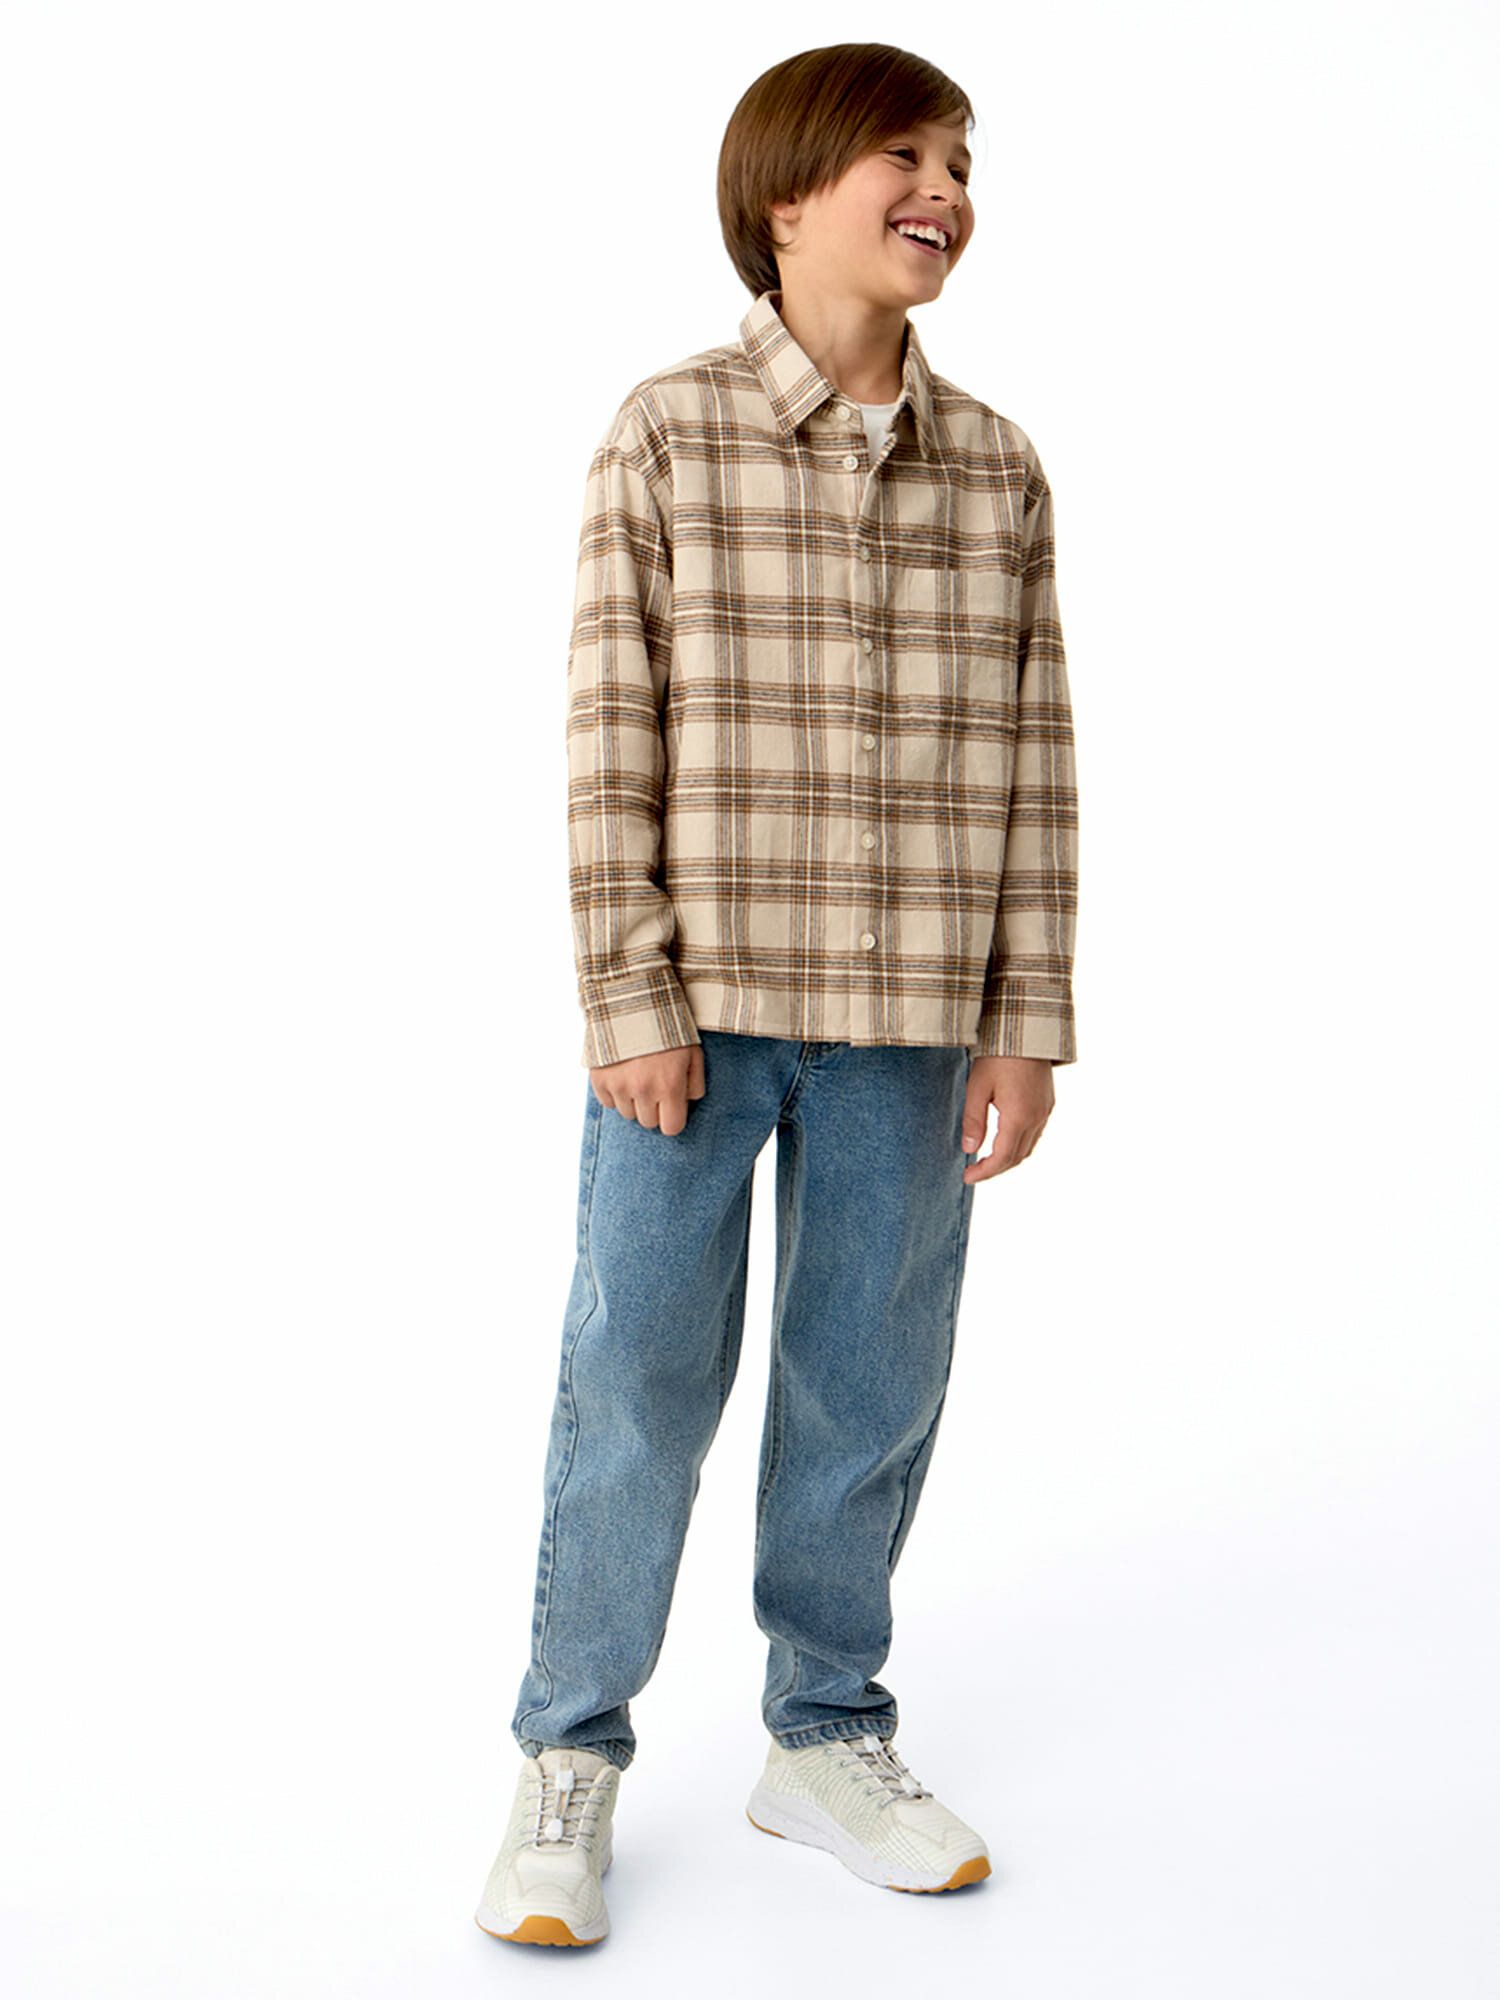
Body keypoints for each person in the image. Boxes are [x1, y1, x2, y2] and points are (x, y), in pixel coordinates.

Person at [475, 41, 1079, 1948]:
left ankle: (825, 1734)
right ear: (788, 196)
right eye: (906, 154)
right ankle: (570, 1754)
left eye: (962, 160)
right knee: (639, 1378)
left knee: (869, 1385)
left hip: (916, 1023)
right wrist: (627, 993)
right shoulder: (668, 432)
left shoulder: (999, 467)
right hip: (700, 1013)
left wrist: (1026, 1014)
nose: (947, 189)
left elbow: (1036, 753)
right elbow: (608, 731)